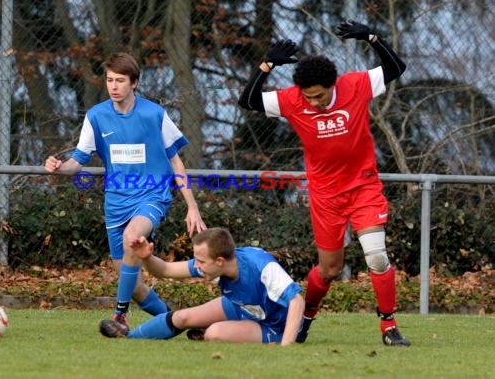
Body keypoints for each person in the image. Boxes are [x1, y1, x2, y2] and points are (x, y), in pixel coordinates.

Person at [237, 20, 410, 346]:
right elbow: (248, 101)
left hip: (363, 187)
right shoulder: (292, 100)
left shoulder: (356, 86)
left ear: (333, 85)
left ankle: (388, 326)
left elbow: (396, 67)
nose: (313, 103)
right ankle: (305, 318)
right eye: (308, 97)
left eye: (319, 96)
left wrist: (372, 38)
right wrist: (267, 64)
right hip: (325, 195)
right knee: (329, 269)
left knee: (376, 256)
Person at [45, 52, 206, 332]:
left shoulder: (154, 114)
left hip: (152, 196)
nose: (114, 86)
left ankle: (119, 317)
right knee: (132, 284)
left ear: (134, 83)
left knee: (134, 238)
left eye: (120, 80)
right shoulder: (96, 116)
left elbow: (175, 160)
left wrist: (192, 206)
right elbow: (77, 162)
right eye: (109, 80)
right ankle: (176, 321)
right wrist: (59, 167)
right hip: (116, 202)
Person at [99, 227, 305, 346]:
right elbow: (165, 271)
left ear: (220, 261)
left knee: (215, 334)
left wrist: (285, 347)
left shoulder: (261, 266)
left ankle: (208, 332)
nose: (196, 265)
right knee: (181, 317)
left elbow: (297, 301)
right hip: (241, 306)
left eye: (200, 261)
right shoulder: (215, 265)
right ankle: (129, 337)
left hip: (274, 325)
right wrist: (147, 257)